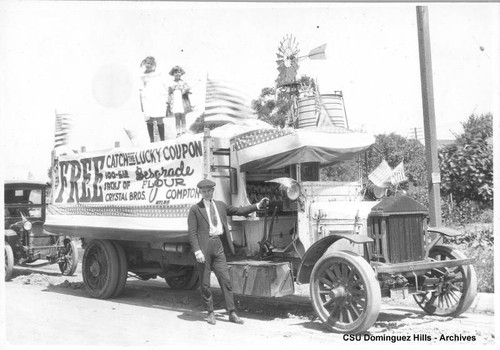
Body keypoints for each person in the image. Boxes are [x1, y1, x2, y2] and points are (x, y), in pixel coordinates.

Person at [187, 179, 268, 325]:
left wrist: (257, 205)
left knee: (226, 280)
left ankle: (232, 312)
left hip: (218, 245)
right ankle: (210, 312)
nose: (207, 193)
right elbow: (192, 233)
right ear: (200, 192)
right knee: (205, 283)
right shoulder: (195, 209)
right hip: (204, 247)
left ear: (213, 191)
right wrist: (197, 251)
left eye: (209, 190)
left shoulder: (220, 205)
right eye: (204, 191)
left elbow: (239, 211)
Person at [139, 56, 168, 142]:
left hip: (157, 98)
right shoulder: (142, 76)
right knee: (149, 119)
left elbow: (165, 85)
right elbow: (140, 90)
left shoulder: (158, 74)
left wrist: (166, 98)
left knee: (159, 118)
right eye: (147, 63)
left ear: (154, 65)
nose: (149, 65)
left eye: (151, 64)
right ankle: (152, 140)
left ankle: (163, 140)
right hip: (147, 99)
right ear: (144, 63)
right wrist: (141, 104)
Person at [167, 65, 192, 137]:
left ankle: (184, 131)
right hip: (175, 101)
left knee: (183, 116)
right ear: (173, 74)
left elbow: (187, 90)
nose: (177, 74)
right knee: (177, 117)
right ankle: (178, 133)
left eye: (179, 72)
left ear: (181, 73)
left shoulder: (183, 82)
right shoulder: (171, 83)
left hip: (182, 100)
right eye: (175, 72)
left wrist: (185, 91)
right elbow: (169, 93)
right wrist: (168, 102)